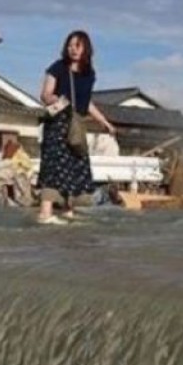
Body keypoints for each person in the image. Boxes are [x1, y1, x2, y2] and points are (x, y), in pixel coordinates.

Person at [37, 30, 116, 224]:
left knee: (74, 167)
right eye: (70, 45)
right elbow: (45, 94)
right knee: (54, 166)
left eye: (77, 45)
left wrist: (104, 122)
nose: (73, 49)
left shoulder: (89, 74)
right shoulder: (58, 67)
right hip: (57, 125)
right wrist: (59, 100)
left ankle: (68, 212)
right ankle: (45, 213)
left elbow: (86, 102)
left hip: (76, 125)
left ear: (85, 48)